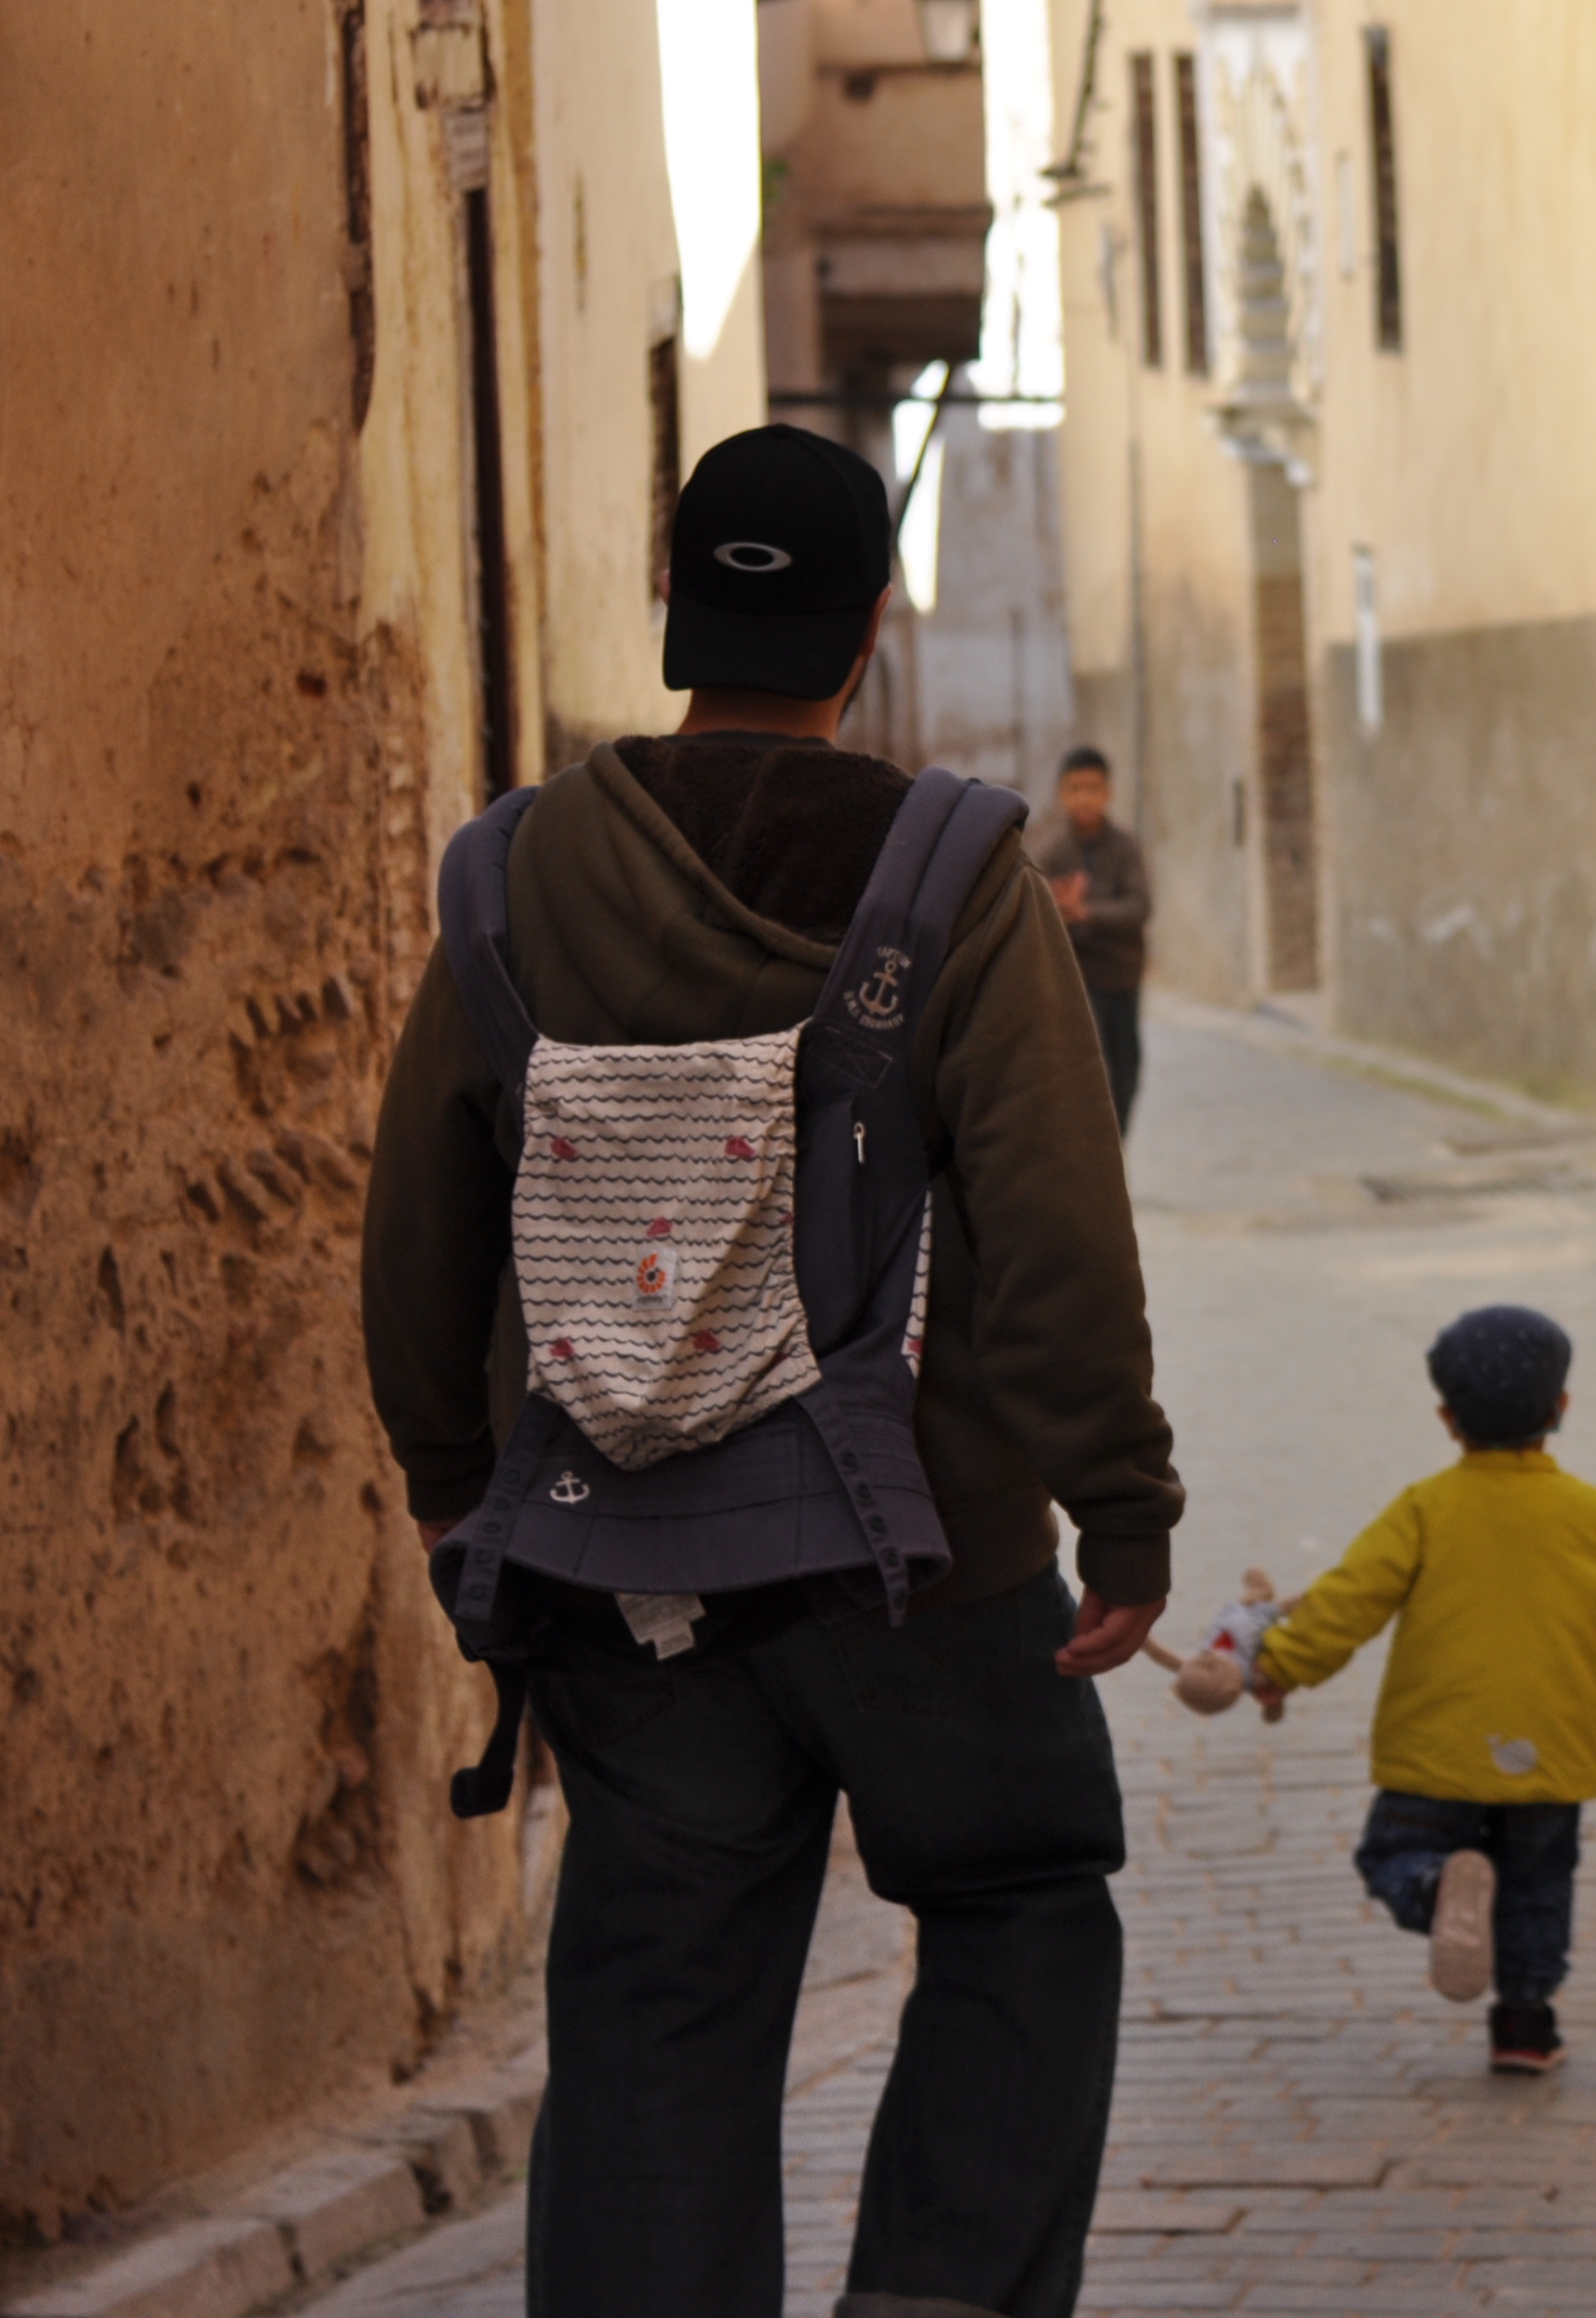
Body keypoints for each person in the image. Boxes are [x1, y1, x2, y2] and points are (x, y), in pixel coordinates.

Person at [361, 422, 1178, 2318]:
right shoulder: (955, 874)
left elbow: (420, 1218)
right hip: (928, 1555)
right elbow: (1054, 1220)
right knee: (1019, 1903)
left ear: (669, 602)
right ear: (868, 625)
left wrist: (451, 1480)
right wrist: (1118, 1503)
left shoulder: (511, 876)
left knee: (656, 1987)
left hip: (618, 1559)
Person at [1249, 1305, 1596, 2077]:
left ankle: (1436, 1889)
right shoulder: (1590, 1516)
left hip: (1434, 1752)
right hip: (1548, 1753)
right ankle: (1525, 2028)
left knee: (1392, 1853)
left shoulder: (1424, 1509)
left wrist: (1281, 1663)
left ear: (1447, 1420)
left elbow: (1349, 1600)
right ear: (1560, 1408)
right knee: (1537, 1886)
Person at [1032, 744, 1151, 1129]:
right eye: (1075, 788)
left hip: (1121, 977)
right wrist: (1059, 910)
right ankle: (1096, 1150)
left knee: (1125, 1069)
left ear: (1107, 792)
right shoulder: (1049, 853)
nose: (1084, 798)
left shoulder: (1125, 847)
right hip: (1076, 980)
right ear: (1062, 794)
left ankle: (1117, 1146)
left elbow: (1140, 906)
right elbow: (1034, 909)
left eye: (1092, 788)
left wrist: (1087, 912)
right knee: (1090, 1071)